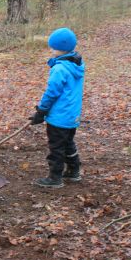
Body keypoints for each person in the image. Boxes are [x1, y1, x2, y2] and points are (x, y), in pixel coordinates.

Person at [29, 27, 85, 188]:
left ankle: (55, 178)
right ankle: (74, 171)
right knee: (68, 143)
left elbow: (51, 93)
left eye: (53, 48)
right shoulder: (77, 64)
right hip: (71, 115)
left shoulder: (60, 69)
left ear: (60, 49)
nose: (51, 50)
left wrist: (41, 111)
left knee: (56, 147)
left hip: (59, 116)